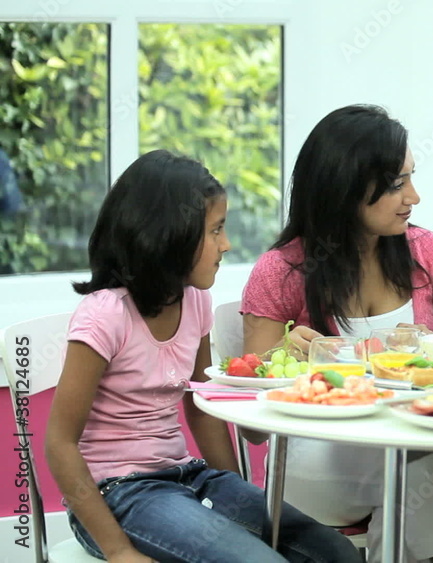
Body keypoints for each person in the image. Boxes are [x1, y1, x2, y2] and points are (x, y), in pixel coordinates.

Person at [45, 150, 361, 563]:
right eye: (215, 230)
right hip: (120, 494)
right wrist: (119, 550)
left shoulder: (195, 301)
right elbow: (59, 443)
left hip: (189, 477)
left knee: (335, 552)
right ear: (168, 235)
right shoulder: (105, 315)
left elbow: (201, 409)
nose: (226, 244)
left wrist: (235, 493)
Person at [241, 105, 433, 563]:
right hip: (319, 464)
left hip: (420, 449)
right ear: (345, 186)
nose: (414, 197)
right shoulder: (281, 271)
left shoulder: (430, 254)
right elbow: (253, 429)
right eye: (397, 184)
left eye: (411, 178)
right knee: (418, 467)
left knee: (415, 465)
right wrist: (287, 359)